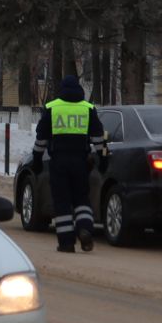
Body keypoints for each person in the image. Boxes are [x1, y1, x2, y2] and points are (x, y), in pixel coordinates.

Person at [33, 74, 108, 252]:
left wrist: (37, 159)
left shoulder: (52, 107)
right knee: (82, 198)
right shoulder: (88, 108)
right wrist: (104, 158)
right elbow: (99, 138)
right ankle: (84, 229)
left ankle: (66, 243)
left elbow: (41, 138)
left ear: (62, 90)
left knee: (62, 202)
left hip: (58, 161)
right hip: (81, 162)